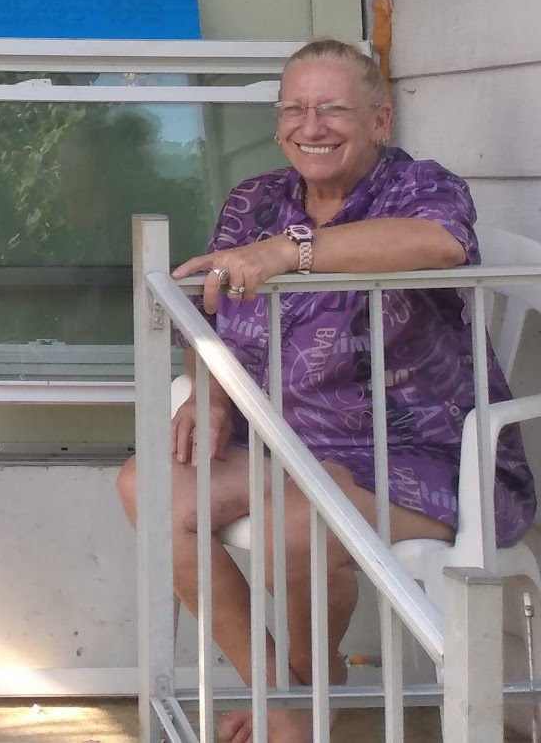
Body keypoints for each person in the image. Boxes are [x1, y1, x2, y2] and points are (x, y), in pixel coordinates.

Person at [115, 38, 536, 743]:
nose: (312, 126)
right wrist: (210, 390)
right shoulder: (255, 201)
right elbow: (210, 319)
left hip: (420, 456)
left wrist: (291, 251)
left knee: (296, 523)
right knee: (148, 487)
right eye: (295, 109)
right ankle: (283, 695)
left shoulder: (422, 188)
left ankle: (306, 698)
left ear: (381, 120)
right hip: (286, 445)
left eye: (334, 109)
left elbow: (440, 244)